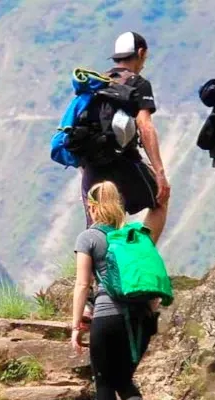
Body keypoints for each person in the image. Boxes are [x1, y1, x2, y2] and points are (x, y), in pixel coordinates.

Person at [71, 181, 162, 400]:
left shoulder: (89, 238)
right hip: (141, 320)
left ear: (93, 206)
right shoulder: (134, 237)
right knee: (122, 377)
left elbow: (83, 283)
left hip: (108, 317)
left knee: (103, 380)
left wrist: (75, 326)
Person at [80, 31, 170, 244]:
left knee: (98, 225)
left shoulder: (97, 83)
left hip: (91, 165)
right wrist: (160, 173)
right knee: (161, 200)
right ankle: (140, 257)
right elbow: (145, 126)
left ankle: (94, 275)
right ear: (140, 53)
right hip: (125, 162)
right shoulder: (138, 84)